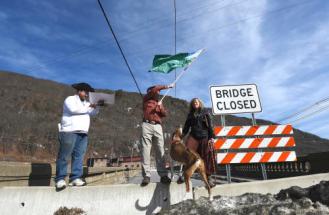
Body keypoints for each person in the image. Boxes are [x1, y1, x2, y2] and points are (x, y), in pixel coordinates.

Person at [55, 82, 104, 190]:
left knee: (79, 156)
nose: (86, 94)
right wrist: (90, 106)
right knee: (64, 155)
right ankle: (60, 179)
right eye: (85, 92)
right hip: (69, 131)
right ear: (79, 91)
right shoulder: (70, 99)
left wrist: (97, 107)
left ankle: (75, 178)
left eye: (87, 93)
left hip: (83, 133)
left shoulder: (87, 103)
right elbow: (74, 110)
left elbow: (93, 113)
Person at [140, 84, 174, 186]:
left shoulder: (158, 102)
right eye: (156, 92)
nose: (158, 93)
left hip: (158, 126)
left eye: (159, 92)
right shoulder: (147, 98)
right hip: (146, 124)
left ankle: (163, 175)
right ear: (150, 91)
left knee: (160, 150)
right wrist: (167, 86)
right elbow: (155, 90)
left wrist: (160, 107)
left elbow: (164, 114)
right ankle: (146, 175)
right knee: (146, 149)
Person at [180, 98, 216, 187]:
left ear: (200, 103)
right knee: (188, 155)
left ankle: (209, 179)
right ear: (192, 105)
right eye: (194, 102)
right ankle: (183, 176)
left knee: (206, 158)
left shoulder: (206, 112)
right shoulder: (190, 115)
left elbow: (210, 126)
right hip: (193, 136)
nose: (195, 103)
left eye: (197, 102)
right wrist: (180, 137)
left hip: (204, 137)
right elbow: (186, 128)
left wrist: (212, 137)